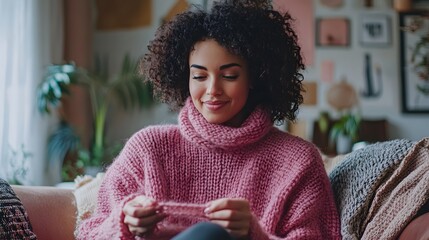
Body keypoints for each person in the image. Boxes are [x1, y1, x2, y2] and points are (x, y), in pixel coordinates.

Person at [77, 0, 341, 239]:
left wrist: (254, 234)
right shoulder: (148, 148)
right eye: (200, 76)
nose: (213, 89)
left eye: (229, 76)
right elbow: (90, 233)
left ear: (255, 78)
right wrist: (123, 223)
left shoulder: (298, 161)